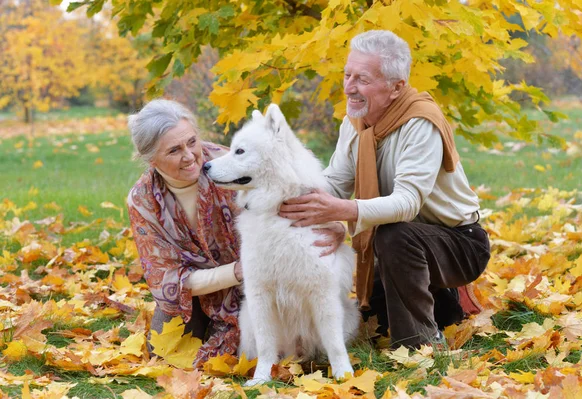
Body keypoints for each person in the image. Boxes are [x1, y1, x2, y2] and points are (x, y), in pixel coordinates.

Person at [279, 30, 491, 349]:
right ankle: (445, 307)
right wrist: (283, 197)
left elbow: (406, 203)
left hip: (460, 244)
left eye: (362, 79)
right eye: (347, 75)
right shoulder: (356, 121)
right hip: (402, 245)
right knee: (373, 322)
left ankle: (418, 345)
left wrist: (343, 212)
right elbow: (334, 183)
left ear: (396, 87)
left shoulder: (421, 122)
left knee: (394, 235)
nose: (349, 87)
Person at [127, 99, 346, 366]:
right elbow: (165, 280)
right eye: (174, 150)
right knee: (164, 354)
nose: (189, 156)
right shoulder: (143, 200)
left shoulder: (228, 163)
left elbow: (292, 190)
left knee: (245, 350)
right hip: (194, 294)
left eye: (192, 142)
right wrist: (237, 272)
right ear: (151, 159)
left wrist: (335, 225)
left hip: (258, 285)